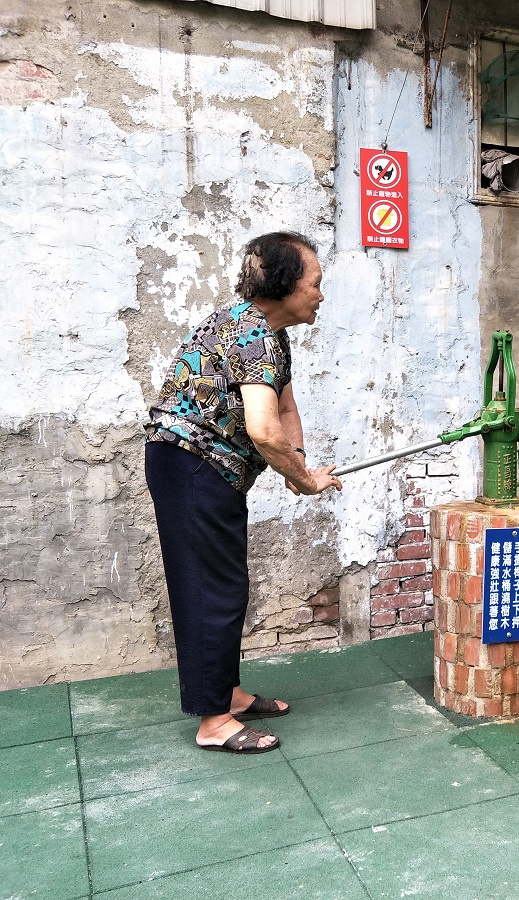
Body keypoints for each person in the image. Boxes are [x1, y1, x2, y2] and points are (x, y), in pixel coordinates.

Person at [144, 231, 342, 754]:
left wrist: (297, 469)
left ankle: (225, 693)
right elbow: (261, 429)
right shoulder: (251, 334)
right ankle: (213, 722)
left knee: (225, 585)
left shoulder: (270, 336)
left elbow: (284, 412)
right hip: (189, 465)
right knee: (209, 589)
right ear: (285, 285)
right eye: (315, 283)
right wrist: (303, 478)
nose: (321, 294)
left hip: (208, 468)